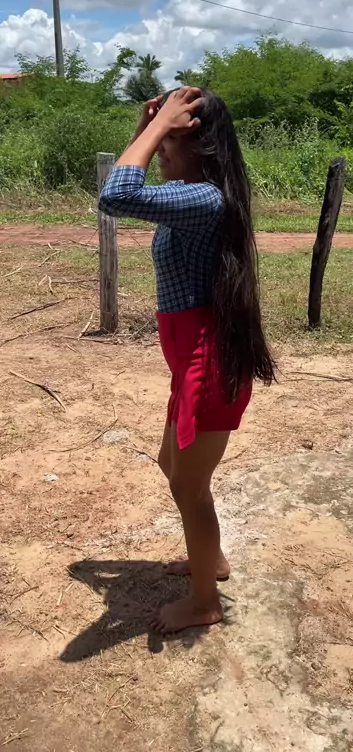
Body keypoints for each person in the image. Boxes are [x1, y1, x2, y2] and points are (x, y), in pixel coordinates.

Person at [98, 86, 275, 635]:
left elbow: (115, 196)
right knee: (172, 466)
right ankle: (211, 560)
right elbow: (124, 187)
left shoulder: (203, 200)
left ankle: (204, 604)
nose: (160, 150)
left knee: (188, 487)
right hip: (191, 358)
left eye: (171, 140)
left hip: (208, 362)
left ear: (201, 146)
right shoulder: (188, 195)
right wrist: (149, 125)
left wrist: (155, 128)